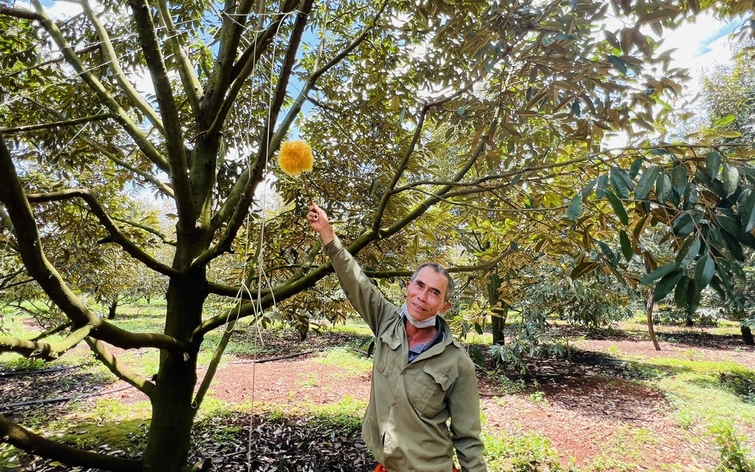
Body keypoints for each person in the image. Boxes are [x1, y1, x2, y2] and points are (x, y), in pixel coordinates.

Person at [307, 203, 487, 472]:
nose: (422, 297)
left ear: (444, 307)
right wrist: (328, 235)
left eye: (434, 293)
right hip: (387, 464)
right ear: (408, 287)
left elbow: (468, 438)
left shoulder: (458, 363)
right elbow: (357, 282)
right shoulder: (386, 321)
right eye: (419, 285)